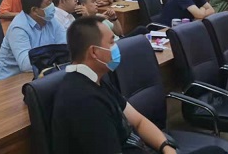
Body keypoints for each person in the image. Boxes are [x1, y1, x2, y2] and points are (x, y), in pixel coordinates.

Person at [52, 17, 178, 154]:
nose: (116, 47)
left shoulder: (97, 80)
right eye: (111, 42)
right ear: (94, 52)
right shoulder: (83, 101)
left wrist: (166, 147)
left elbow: (138, 121)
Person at [0, 0, 66, 82]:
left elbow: (65, 48)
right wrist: (55, 56)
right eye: (49, 3)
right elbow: (26, 65)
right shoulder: (18, 27)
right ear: (34, 10)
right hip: (7, 82)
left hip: (37, 77)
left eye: (52, 1)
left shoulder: (51, 20)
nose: (53, 7)